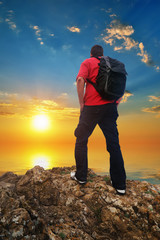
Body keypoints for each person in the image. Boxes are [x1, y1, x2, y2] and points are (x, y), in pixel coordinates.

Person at [71, 45, 126, 195]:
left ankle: (81, 177)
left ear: (91, 54)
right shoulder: (114, 65)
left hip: (91, 108)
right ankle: (120, 184)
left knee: (81, 139)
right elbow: (121, 87)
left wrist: (81, 103)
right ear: (102, 54)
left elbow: (81, 80)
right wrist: (115, 103)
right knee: (113, 145)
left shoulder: (87, 62)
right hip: (110, 108)